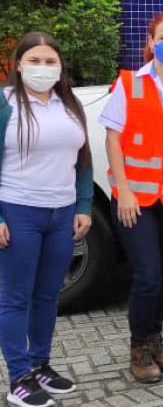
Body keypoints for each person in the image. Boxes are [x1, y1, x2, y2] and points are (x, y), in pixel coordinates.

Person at [99, 12, 163, 382]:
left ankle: (156, 340)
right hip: (135, 199)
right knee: (146, 274)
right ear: (150, 40)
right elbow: (112, 140)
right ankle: (140, 347)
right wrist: (124, 191)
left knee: (161, 274)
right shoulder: (129, 83)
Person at [0, 32, 92, 407]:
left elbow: (83, 159)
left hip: (62, 214)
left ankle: (40, 365)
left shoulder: (69, 103)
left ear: (60, 66)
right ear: (19, 65)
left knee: (47, 295)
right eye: (34, 61)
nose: (43, 68)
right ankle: (18, 377)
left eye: (50, 61)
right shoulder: (5, 103)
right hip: (18, 211)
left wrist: (83, 205)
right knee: (15, 297)